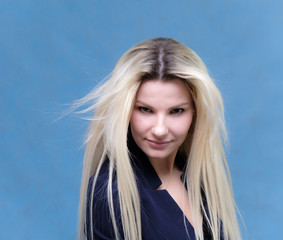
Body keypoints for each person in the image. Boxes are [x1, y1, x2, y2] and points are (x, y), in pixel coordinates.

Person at [77, 38, 241, 240]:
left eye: (176, 111)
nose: (160, 129)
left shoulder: (198, 176)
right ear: (125, 112)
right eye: (145, 110)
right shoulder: (110, 192)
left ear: (196, 114)